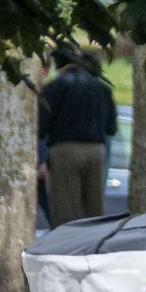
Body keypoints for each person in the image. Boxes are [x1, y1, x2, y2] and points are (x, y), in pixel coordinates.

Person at [38, 46, 117, 226]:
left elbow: (42, 126)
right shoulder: (102, 88)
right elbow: (111, 128)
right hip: (96, 151)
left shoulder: (55, 87)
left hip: (65, 150)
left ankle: (69, 248)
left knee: (66, 207)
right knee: (93, 206)